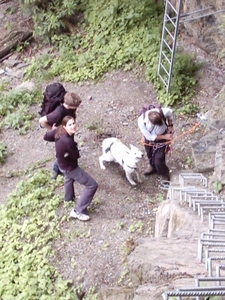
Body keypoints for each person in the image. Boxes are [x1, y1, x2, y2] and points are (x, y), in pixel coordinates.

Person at [43, 116, 98, 221]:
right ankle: (78, 210)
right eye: (70, 125)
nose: (73, 126)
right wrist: (73, 148)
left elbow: (46, 136)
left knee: (68, 178)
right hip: (69, 167)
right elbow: (76, 155)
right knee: (92, 185)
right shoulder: (68, 141)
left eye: (73, 123)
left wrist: (54, 130)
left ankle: (68, 199)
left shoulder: (59, 130)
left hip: (61, 164)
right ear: (64, 126)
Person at [39, 92, 82, 179]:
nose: (77, 108)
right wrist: (52, 129)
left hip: (68, 132)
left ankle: (67, 167)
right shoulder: (58, 112)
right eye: (76, 106)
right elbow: (42, 120)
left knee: (68, 151)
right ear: (69, 105)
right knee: (62, 153)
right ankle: (56, 169)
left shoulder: (70, 108)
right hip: (61, 135)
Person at [138, 107, 174, 182]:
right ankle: (152, 166)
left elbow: (170, 113)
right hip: (149, 139)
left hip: (162, 138)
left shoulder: (164, 111)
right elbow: (149, 136)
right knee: (149, 155)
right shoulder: (141, 121)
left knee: (159, 159)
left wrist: (170, 126)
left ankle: (164, 173)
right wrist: (165, 136)